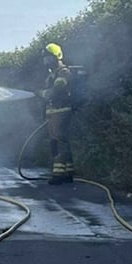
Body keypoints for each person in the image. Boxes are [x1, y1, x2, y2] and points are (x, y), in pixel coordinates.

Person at [39, 43, 75, 185]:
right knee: (56, 142)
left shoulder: (63, 73)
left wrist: (40, 93)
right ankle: (67, 173)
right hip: (53, 113)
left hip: (61, 112)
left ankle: (59, 174)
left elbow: (55, 91)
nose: (46, 61)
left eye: (48, 58)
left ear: (56, 57)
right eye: (44, 58)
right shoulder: (51, 75)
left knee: (60, 143)